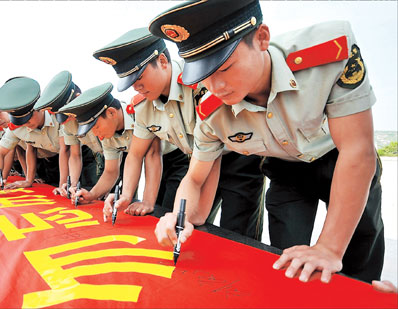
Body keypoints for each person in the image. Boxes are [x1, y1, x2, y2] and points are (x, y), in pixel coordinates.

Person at [150, 0, 384, 284]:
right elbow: (196, 178)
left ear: (261, 38)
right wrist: (179, 216)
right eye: (204, 76)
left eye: (224, 68)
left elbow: (357, 150)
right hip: (286, 172)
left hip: (342, 158)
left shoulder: (327, 54)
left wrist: (329, 248)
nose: (216, 87)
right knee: (287, 259)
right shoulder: (211, 111)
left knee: (359, 253)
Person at [93, 27, 265, 239]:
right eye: (130, 81)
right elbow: (136, 153)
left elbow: (214, 146)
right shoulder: (143, 106)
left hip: (238, 158)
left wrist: (197, 213)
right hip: (198, 165)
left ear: (163, 62)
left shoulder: (201, 80)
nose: (136, 87)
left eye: (139, 76)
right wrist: (126, 195)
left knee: (237, 235)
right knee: (191, 232)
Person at [59, 82, 162, 209]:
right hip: (141, 163)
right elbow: (111, 171)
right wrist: (91, 195)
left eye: (96, 127)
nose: (96, 133)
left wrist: (146, 201)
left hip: (172, 160)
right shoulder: (107, 134)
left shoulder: (138, 113)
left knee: (167, 210)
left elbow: (153, 154)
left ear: (111, 113)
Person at [33, 70, 100, 196]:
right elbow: (74, 155)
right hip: (102, 156)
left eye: (68, 114)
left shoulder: (101, 113)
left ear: (77, 98)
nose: (67, 120)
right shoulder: (68, 122)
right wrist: (72, 184)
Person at [0, 77, 61, 191]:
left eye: (28, 118)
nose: (26, 124)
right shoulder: (16, 127)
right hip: (53, 161)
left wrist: (63, 184)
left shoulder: (58, 116)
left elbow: (69, 151)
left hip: (82, 155)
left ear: (40, 107)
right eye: (20, 121)